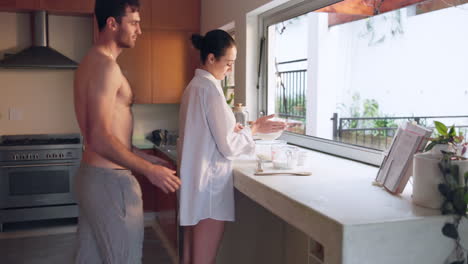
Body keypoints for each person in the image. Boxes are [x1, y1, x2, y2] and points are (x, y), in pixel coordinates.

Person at [73, 0, 181, 263]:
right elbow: (99, 137)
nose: (139, 31)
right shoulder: (107, 67)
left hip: (92, 178)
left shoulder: (89, 62)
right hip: (111, 184)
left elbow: (101, 133)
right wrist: (150, 171)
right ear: (112, 23)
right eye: (133, 22)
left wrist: (140, 156)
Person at [178, 29, 286, 264]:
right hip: (208, 187)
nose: (230, 70)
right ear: (211, 59)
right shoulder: (210, 90)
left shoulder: (194, 87)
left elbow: (210, 133)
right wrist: (255, 128)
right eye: (228, 63)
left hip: (195, 183)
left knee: (189, 257)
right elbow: (228, 146)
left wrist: (241, 129)